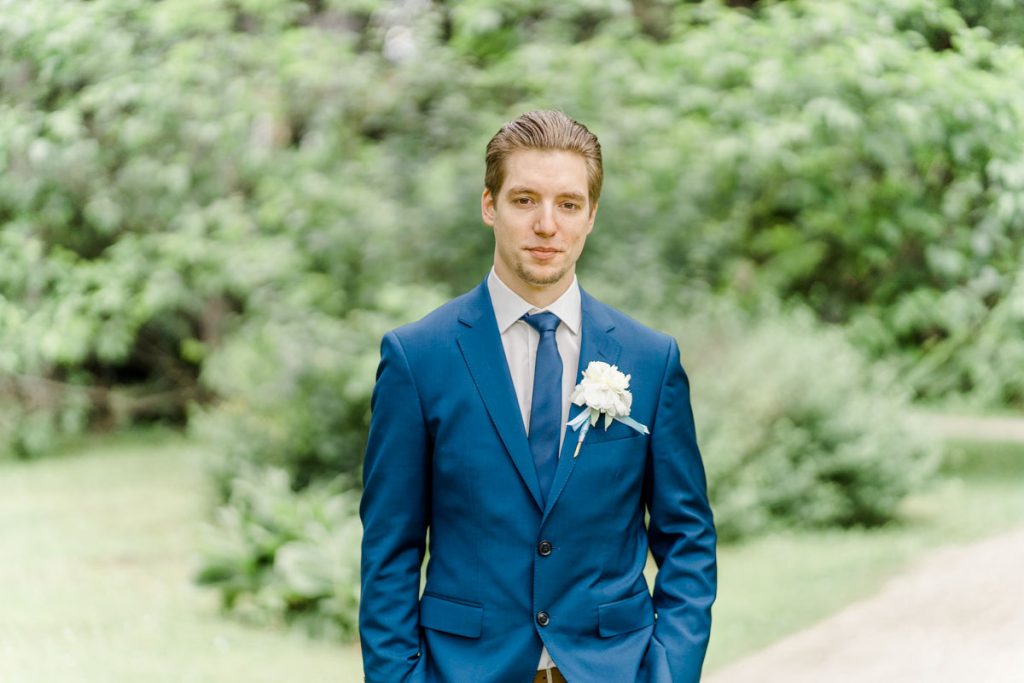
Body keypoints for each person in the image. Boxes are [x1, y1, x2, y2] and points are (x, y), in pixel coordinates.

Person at [359, 110, 716, 683]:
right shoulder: (417, 357)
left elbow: (688, 538)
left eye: (569, 204)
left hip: (615, 669)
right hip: (465, 670)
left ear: (591, 216)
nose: (547, 225)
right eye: (525, 200)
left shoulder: (652, 361)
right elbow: (389, 550)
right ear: (488, 206)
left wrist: (670, 671)